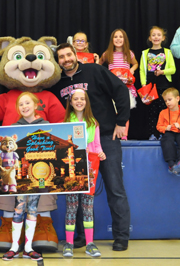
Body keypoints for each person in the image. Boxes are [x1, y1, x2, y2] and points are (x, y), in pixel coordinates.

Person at [49, 43, 130, 251]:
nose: (66, 59)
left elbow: (120, 90)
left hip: (105, 137)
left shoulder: (94, 70)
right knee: (77, 189)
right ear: (57, 61)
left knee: (115, 188)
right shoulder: (57, 83)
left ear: (76, 55)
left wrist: (121, 122)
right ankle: (81, 237)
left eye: (69, 54)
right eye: (61, 57)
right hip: (76, 145)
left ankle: (121, 236)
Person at [2, 92, 47, 262]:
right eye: (21, 104)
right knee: (19, 207)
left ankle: (28, 248)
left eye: (27, 103)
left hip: (38, 174)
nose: (24, 107)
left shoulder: (46, 125)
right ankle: (15, 247)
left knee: (33, 208)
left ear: (36, 105)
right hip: (20, 176)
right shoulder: (14, 127)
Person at [61, 89, 104, 257]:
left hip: (90, 168)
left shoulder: (93, 122)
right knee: (71, 207)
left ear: (87, 102)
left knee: (88, 207)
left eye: (82, 99)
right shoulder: (65, 123)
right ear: (70, 102)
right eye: (76, 99)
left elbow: (97, 145)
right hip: (72, 170)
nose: (79, 101)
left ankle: (90, 243)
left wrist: (100, 152)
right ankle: (69, 243)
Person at [99, 28, 139, 137]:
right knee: (113, 110)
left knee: (124, 111)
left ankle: (124, 135)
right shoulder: (107, 54)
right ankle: (113, 134)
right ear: (112, 40)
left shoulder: (129, 53)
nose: (118, 39)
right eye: (115, 37)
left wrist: (132, 70)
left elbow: (135, 63)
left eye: (120, 37)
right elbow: (99, 64)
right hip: (112, 87)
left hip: (126, 87)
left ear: (125, 39)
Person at [140, 26, 176, 140]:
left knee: (163, 111)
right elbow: (141, 70)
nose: (156, 37)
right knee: (151, 112)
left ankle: (163, 133)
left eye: (158, 35)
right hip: (150, 88)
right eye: (153, 35)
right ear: (150, 38)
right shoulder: (145, 53)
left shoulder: (167, 52)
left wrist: (163, 72)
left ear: (163, 38)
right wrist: (143, 85)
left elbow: (173, 69)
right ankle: (152, 134)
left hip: (164, 86)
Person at [157, 88, 180, 176]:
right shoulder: (163, 112)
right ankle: (171, 164)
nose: (167, 103)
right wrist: (166, 128)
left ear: (177, 98)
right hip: (169, 132)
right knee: (167, 140)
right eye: (166, 101)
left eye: (170, 100)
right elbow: (159, 126)